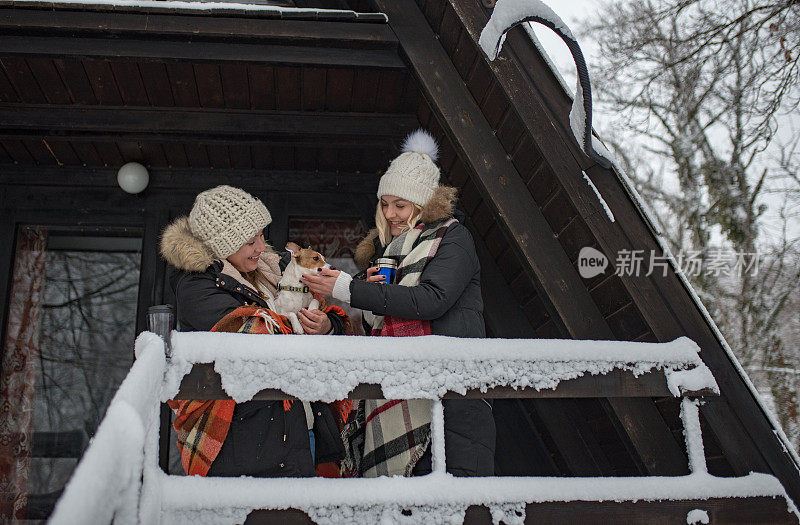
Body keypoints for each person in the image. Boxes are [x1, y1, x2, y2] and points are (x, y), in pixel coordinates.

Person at [301, 130, 495, 477]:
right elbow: (379, 329)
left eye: (400, 205)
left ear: (421, 204)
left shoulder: (454, 239)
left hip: (449, 404)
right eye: (384, 203)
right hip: (398, 398)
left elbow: (431, 300)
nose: (390, 213)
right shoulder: (387, 254)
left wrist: (349, 289)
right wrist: (350, 304)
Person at [160, 184, 345, 478]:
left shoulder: (272, 271)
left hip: (298, 425)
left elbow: (322, 310)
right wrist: (297, 323)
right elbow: (252, 336)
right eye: (250, 241)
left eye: (260, 234)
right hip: (246, 441)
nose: (261, 246)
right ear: (222, 246)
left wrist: (326, 326)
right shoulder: (197, 286)